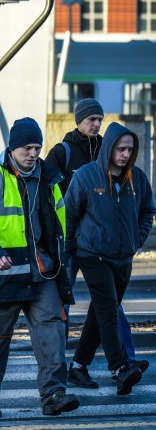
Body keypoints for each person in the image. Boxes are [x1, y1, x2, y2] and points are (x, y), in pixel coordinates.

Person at [0, 117, 79, 418]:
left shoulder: (50, 178)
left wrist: (60, 261)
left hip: (43, 273)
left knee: (51, 332)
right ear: (13, 147)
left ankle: (54, 394)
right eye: (27, 147)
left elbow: (58, 226)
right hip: (3, 274)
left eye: (37, 147)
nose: (33, 153)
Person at [64, 122, 154, 395]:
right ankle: (120, 367)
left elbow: (148, 211)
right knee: (109, 310)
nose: (126, 154)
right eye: (120, 148)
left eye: (130, 149)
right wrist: (69, 250)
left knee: (101, 310)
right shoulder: (86, 177)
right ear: (109, 148)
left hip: (123, 257)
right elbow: (68, 215)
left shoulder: (136, 178)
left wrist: (135, 240)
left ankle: (78, 367)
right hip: (93, 254)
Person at [46, 99, 138, 360]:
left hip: (97, 243)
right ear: (79, 121)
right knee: (62, 299)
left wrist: (134, 237)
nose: (96, 124)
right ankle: (57, 361)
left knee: (110, 303)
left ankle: (128, 358)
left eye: (99, 119)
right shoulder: (62, 152)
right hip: (68, 239)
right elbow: (46, 194)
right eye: (91, 120)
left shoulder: (107, 151)